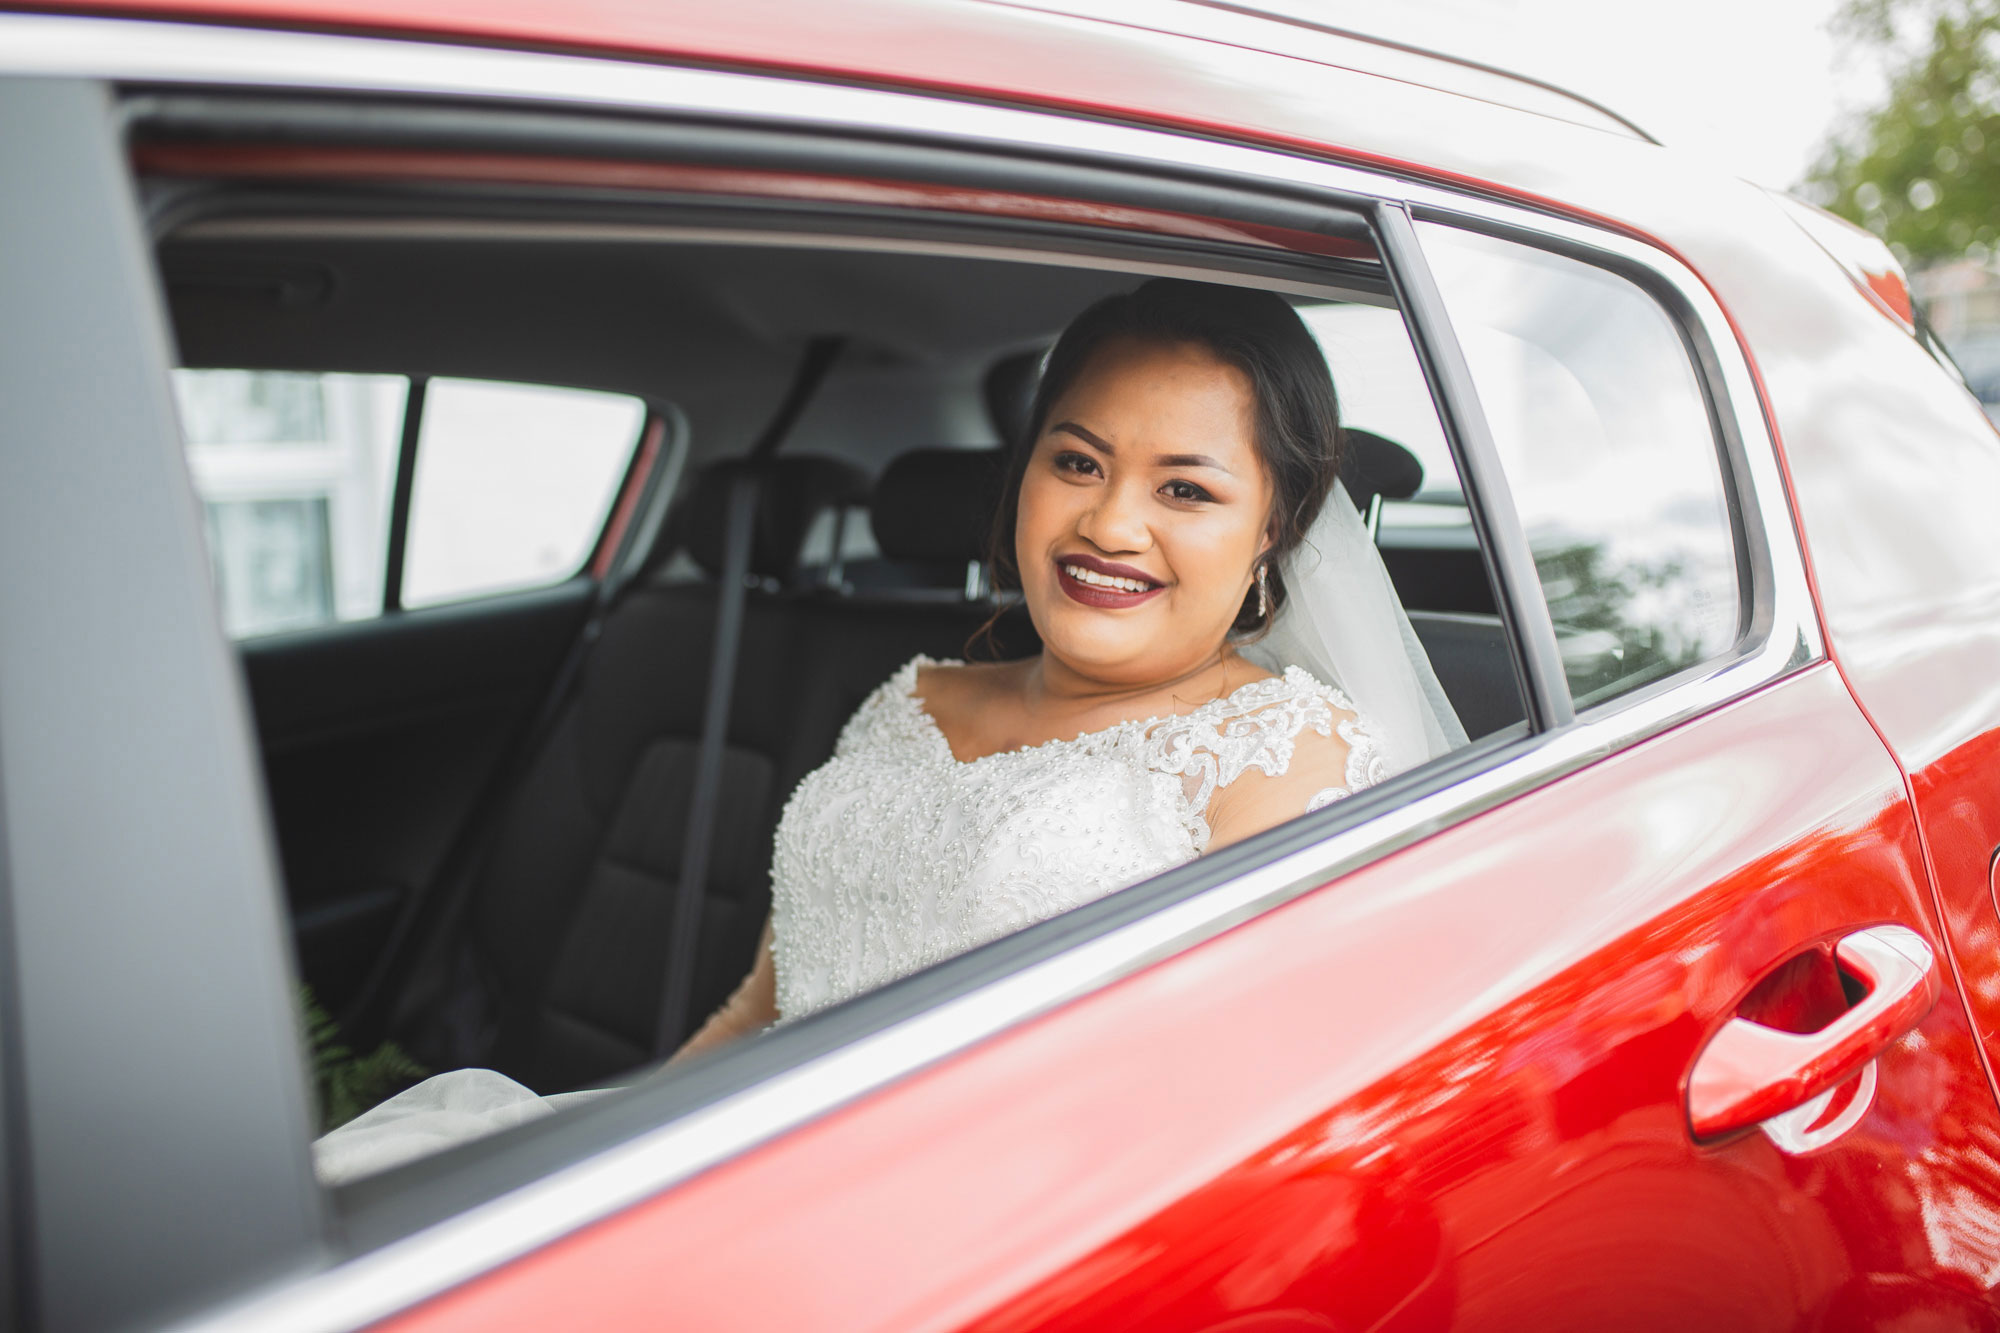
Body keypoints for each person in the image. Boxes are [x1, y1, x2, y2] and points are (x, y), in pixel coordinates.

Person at [314, 278, 1463, 1184]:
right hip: (737, 1160)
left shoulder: (1280, 758)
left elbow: (1232, 1135)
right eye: (1076, 462)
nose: (1108, 524)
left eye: (1185, 490)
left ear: (1276, 526)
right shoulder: (909, 698)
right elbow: (760, 1006)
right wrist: (627, 1171)